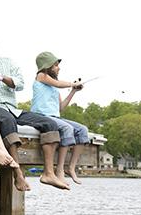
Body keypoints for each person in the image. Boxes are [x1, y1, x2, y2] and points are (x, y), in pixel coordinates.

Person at [0, 32, 69, 191]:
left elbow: (19, 84)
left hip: (13, 109)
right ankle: (18, 173)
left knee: (49, 123)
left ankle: (48, 173)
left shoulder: (8, 63)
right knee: (7, 120)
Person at [31, 51, 89, 184]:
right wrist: (72, 84)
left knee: (82, 130)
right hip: (41, 116)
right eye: (56, 65)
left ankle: (71, 167)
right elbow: (59, 84)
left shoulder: (54, 87)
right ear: (47, 66)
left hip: (55, 117)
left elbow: (61, 108)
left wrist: (73, 91)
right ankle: (60, 170)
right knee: (67, 128)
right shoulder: (41, 76)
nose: (59, 68)